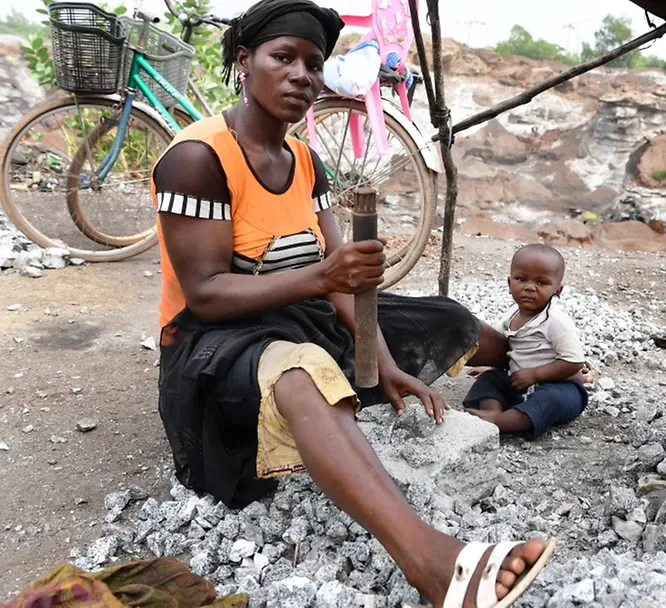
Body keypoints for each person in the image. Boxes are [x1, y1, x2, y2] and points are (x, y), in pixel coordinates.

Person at [151, 0, 554, 604]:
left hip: (296, 314)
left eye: (314, 65)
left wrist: (384, 361)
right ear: (244, 62)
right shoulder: (198, 159)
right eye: (282, 57)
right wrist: (322, 276)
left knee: (443, 317)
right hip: (213, 342)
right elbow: (206, 295)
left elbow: (342, 283)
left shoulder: (304, 161)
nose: (301, 76)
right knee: (300, 369)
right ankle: (433, 563)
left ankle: (532, 359)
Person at [464, 244, 589, 438]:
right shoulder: (510, 316)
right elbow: (502, 345)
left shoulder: (555, 321)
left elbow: (574, 361)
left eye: (542, 283)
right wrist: (490, 367)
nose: (530, 287)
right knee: (490, 380)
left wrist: (535, 374)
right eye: (521, 279)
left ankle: (498, 423)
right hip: (520, 381)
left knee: (552, 400)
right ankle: (494, 412)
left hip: (559, 385)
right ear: (509, 283)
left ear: (558, 290)